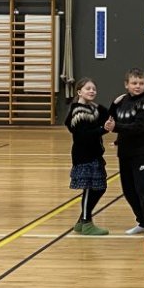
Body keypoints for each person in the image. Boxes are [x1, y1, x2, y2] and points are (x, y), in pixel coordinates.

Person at [107, 68, 144, 240]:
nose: (138, 86)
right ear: (126, 84)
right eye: (134, 83)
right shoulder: (123, 101)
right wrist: (114, 104)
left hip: (141, 152)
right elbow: (111, 117)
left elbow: (138, 127)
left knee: (142, 188)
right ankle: (142, 221)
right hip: (125, 152)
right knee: (128, 190)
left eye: (141, 83)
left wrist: (116, 127)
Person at [65, 78, 109, 236]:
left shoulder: (94, 108)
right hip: (84, 155)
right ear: (79, 92)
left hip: (94, 154)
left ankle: (81, 222)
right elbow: (83, 136)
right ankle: (86, 222)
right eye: (88, 88)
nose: (92, 91)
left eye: (94, 89)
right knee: (91, 188)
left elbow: (109, 115)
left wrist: (118, 103)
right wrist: (103, 129)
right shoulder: (78, 112)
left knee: (99, 187)